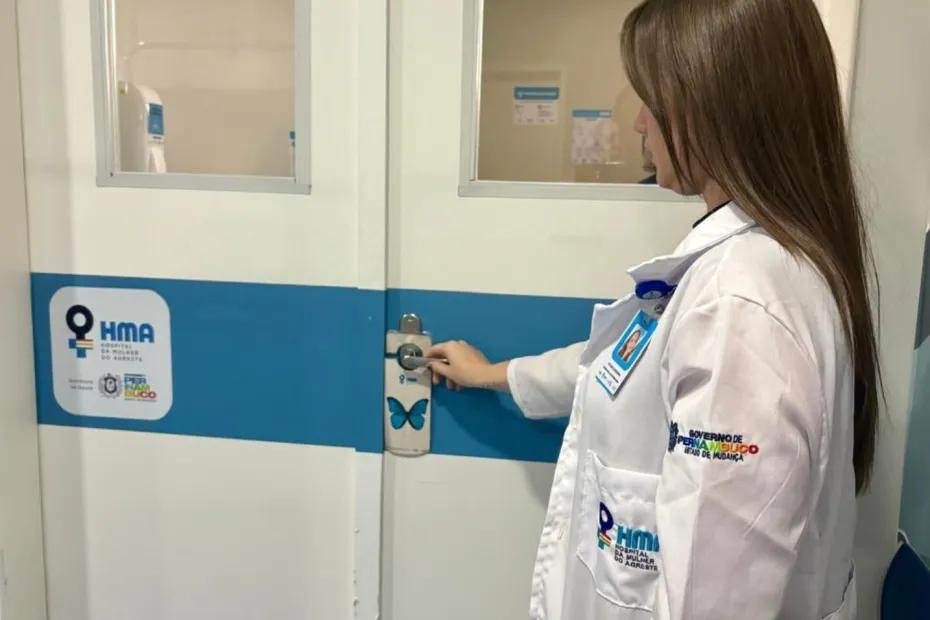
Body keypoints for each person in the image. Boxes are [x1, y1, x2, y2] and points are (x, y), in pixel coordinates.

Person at [428, 0, 879, 618]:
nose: (640, 123)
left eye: (652, 99)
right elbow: (620, 367)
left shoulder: (740, 305)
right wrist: (492, 374)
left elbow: (713, 603)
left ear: (716, 105)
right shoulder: (740, 269)